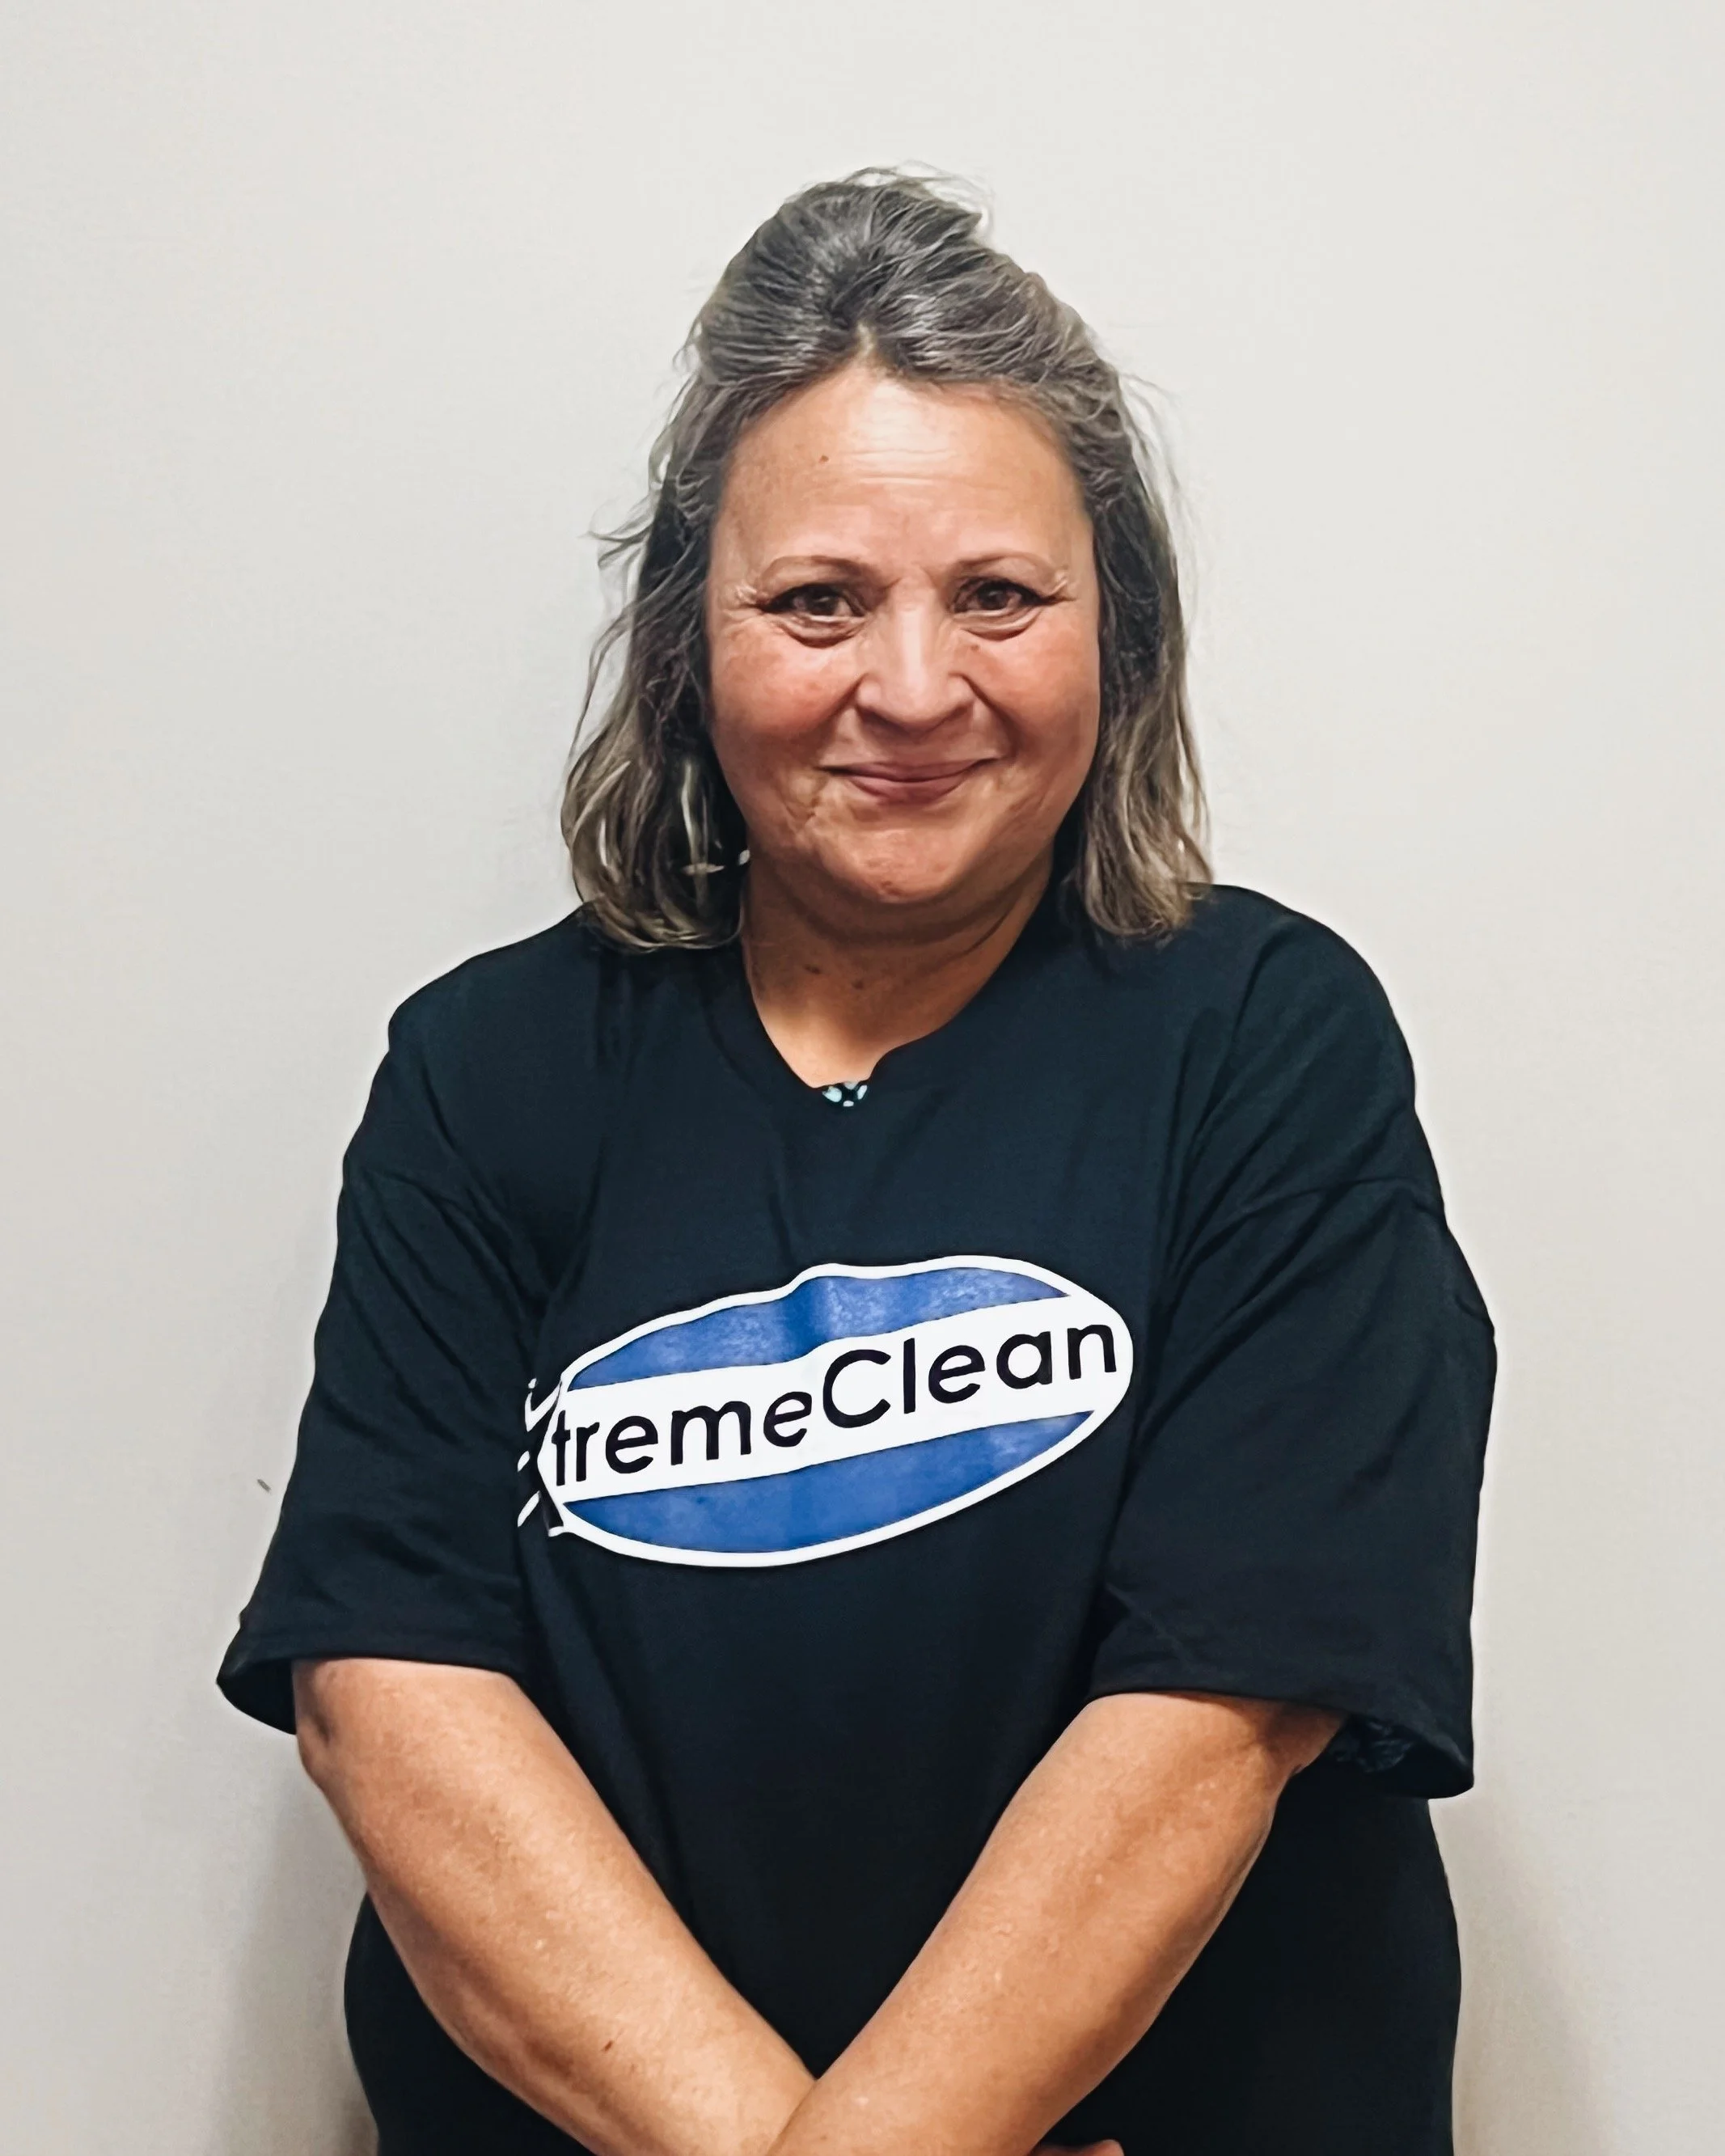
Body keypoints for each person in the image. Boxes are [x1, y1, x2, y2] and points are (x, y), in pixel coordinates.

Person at [218, 171, 1494, 2156]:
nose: (911, 688)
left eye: (1000, 594)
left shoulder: (1262, 1039)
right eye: (818, 601)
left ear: (1119, 632)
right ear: (685, 638)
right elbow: (387, 1695)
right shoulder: (485, 1074)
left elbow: (1227, 1708)